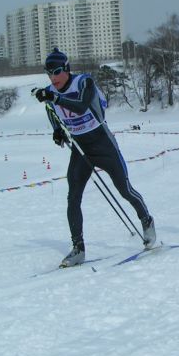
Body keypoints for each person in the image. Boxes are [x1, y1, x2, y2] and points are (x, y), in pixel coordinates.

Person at [33, 48, 156, 267]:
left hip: (103, 143)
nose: (53, 77)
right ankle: (78, 248)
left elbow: (80, 106)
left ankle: (146, 219)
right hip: (81, 148)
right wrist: (57, 131)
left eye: (57, 71)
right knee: (73, 197)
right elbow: (51, 111)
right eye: (48, 73)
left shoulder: (84, 83)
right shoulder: (50, 91)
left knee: (124, 189)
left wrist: (55, 97)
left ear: (67, 69)